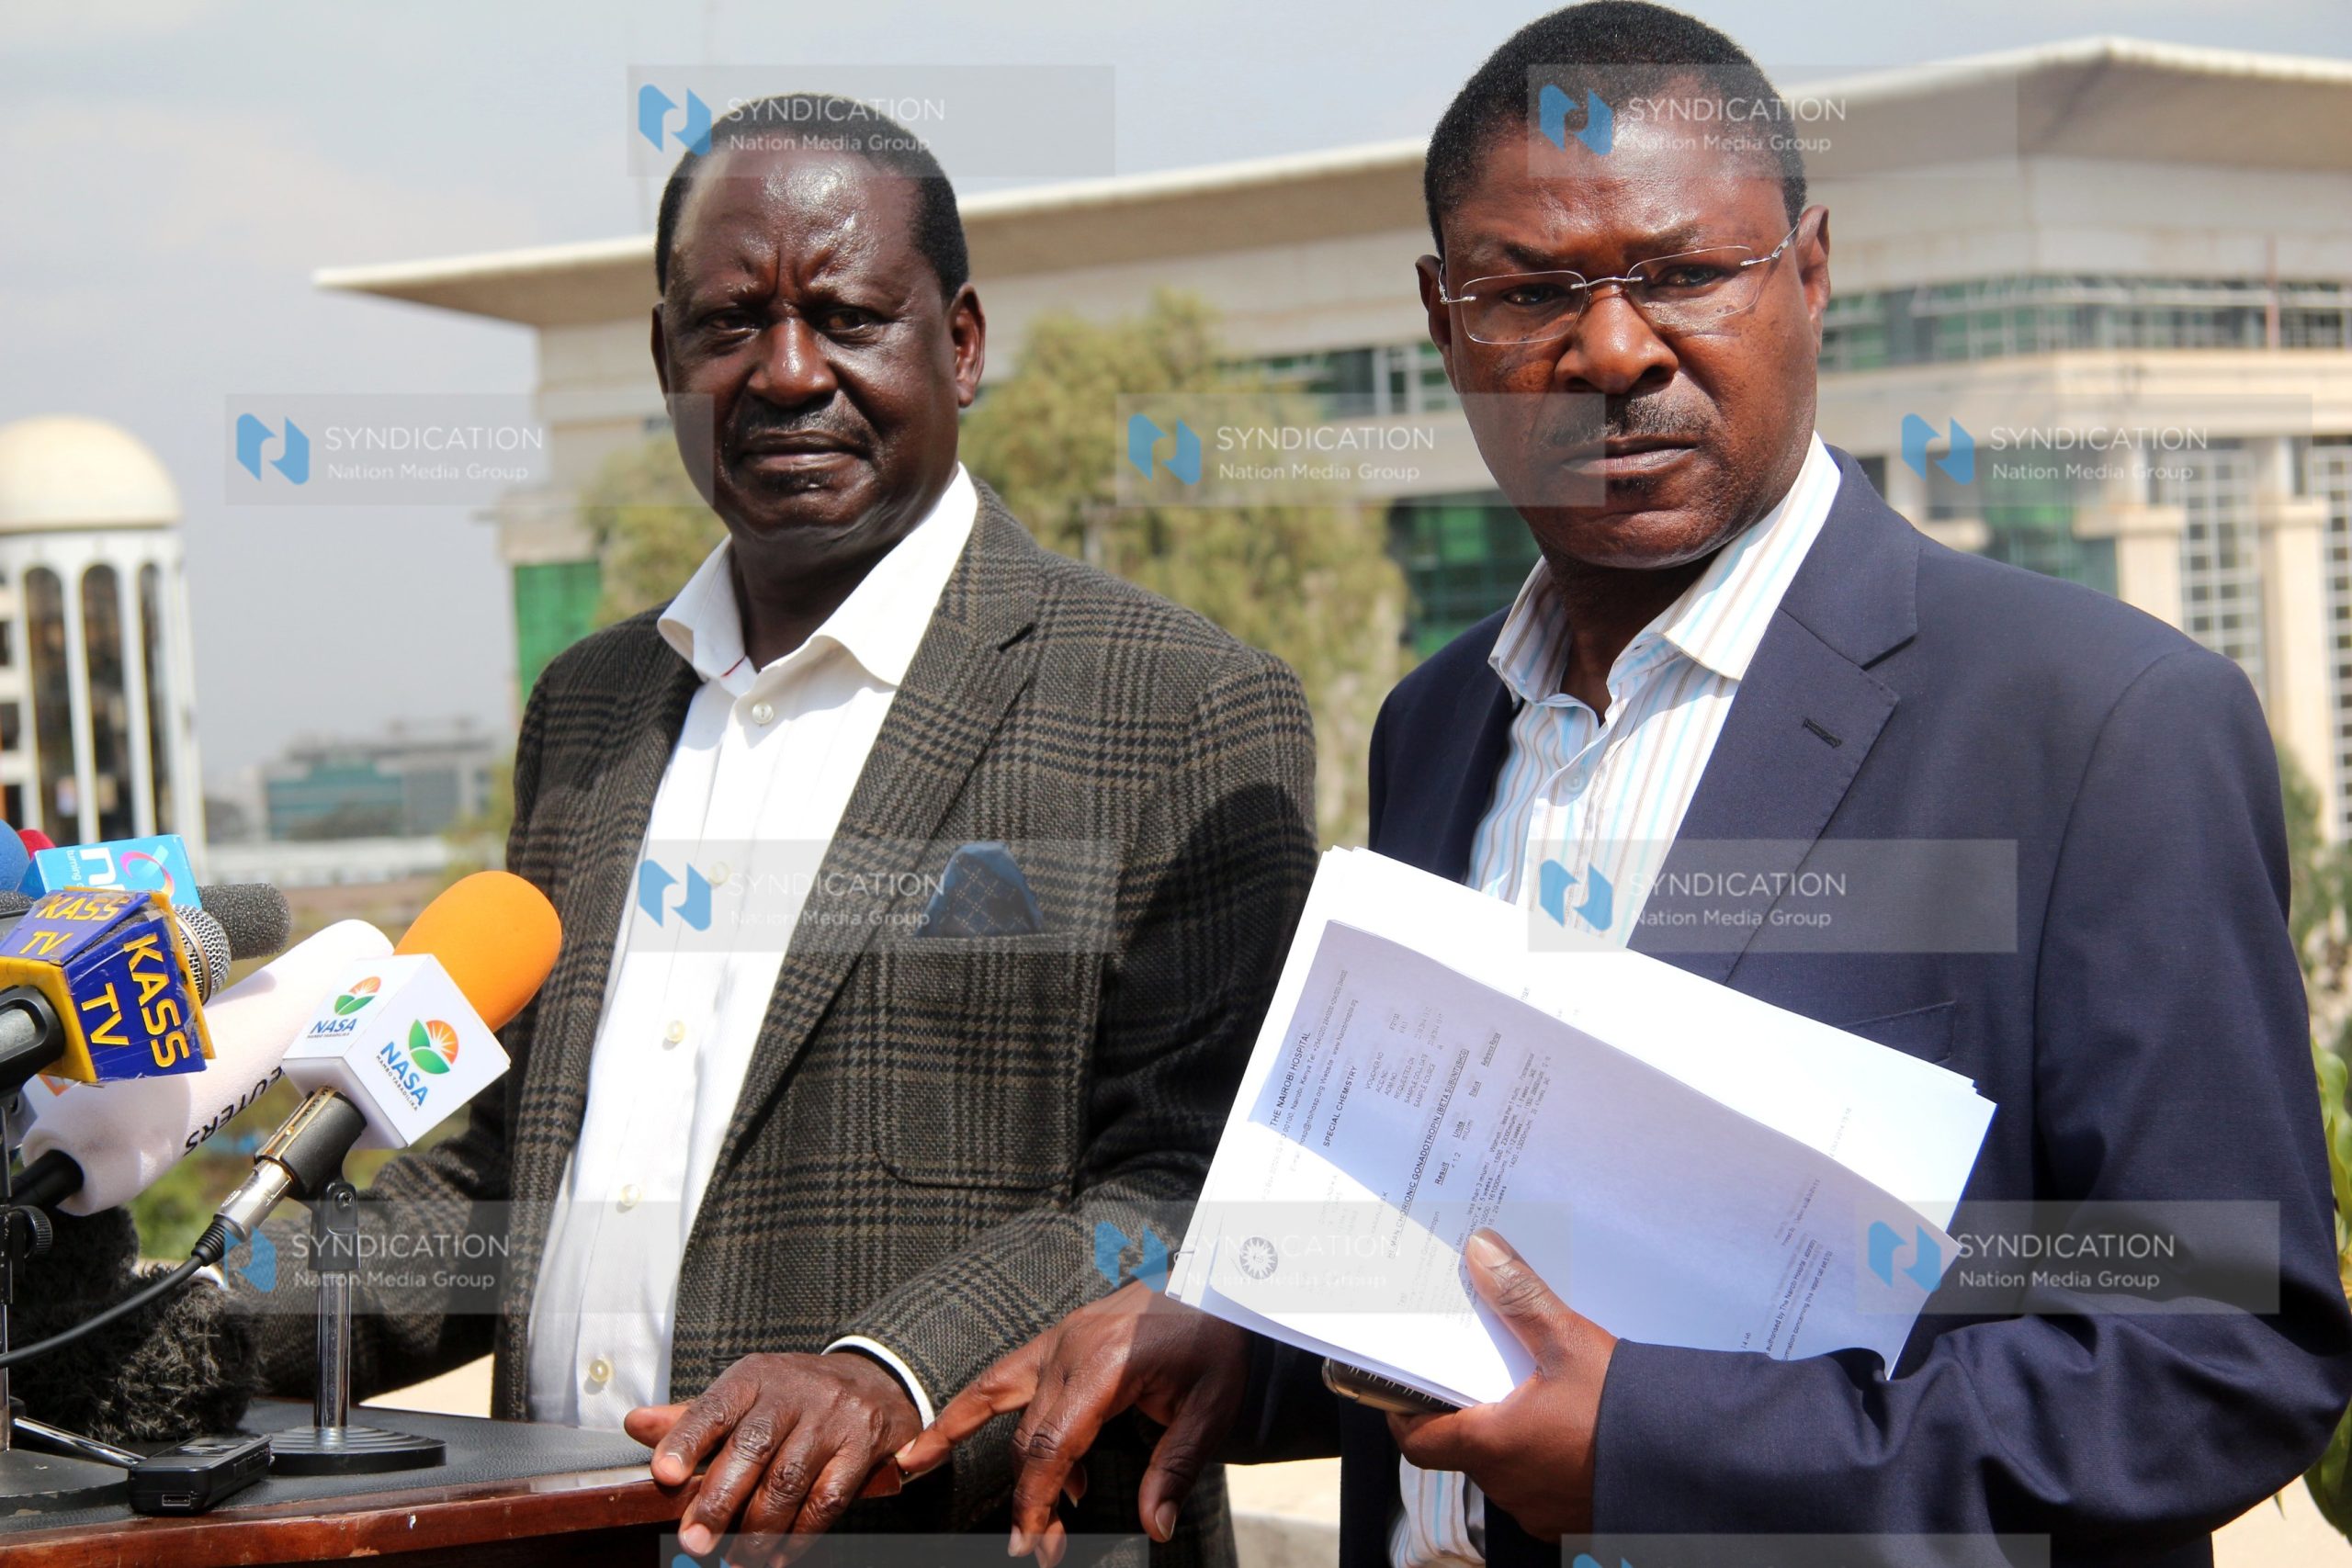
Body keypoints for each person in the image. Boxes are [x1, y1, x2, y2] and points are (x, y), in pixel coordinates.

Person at [895, 6, 2352, 1566]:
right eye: (1528, 293)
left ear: (1809, 269)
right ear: (1445, 321)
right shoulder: (1437, 726)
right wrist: (1244, 1356)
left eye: (1680, 274)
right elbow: (1486, 1266)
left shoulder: (2101, 726)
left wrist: (1664, 1455)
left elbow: (2222, 1357)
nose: (1607, 349)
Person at [237, 96, 1315, 1564]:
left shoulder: (1175, 702)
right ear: (668, 357)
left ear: (965, 341)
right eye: (732, 323)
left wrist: (887, 1371)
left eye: (852, 317)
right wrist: (158, 1320)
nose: (789, 372)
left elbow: (1188, 1189)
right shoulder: (590, 710)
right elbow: (492, 1185)